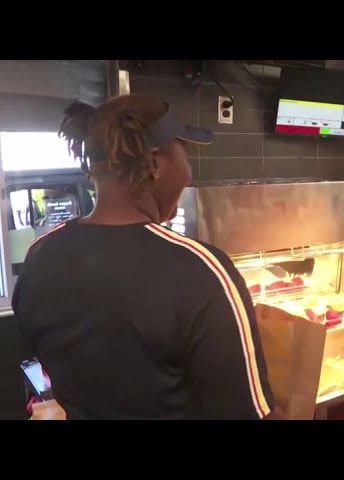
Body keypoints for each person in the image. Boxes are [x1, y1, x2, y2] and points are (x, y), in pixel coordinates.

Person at [12, 94, 277, 420]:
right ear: (154, 163)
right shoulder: (200, 270)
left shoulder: (40, 256)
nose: (189, 170)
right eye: (186, 152)